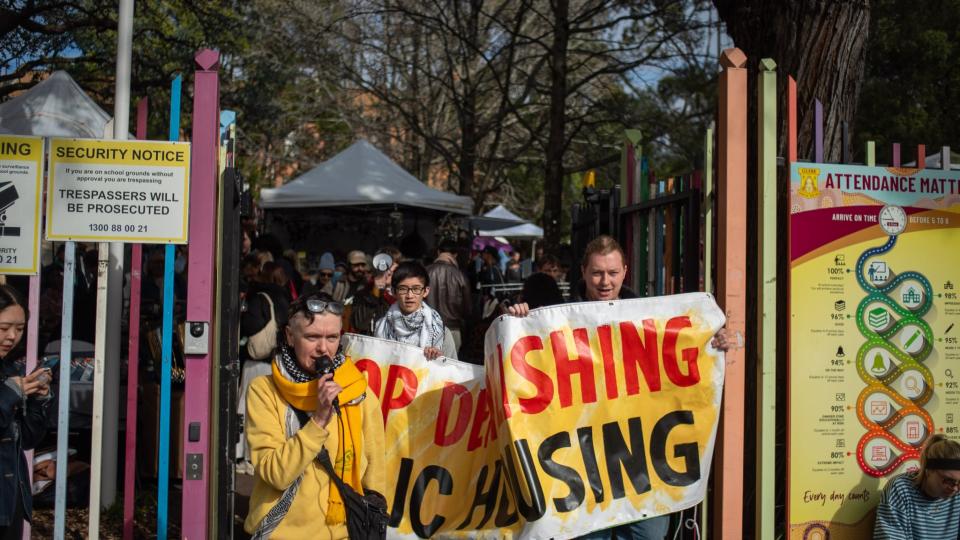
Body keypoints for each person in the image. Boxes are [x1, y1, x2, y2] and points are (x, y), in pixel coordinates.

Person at [506, 235, 729, 540]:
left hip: (643, 462)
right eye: (597, 273)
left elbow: (686, 352)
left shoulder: (651, 320)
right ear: (583, 272)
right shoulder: (557, 321)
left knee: (650, 535)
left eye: (612, 273)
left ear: (625, 271)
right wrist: (518, 323)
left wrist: (714, 340)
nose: (605, 282)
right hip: (584, 464)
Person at [244, 292, 386, 538]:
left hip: (343, 532)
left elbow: (376, 473)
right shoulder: (264, 390)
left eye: (332, 337)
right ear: (290, 336)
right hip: (281, 533)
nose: (323, 348)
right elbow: (275, 474)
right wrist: (318, 421)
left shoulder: (357, 392)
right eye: (312, 337)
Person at [0, 284, 52, 539]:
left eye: (19, 329)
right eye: (4, 328)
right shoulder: (10, 382)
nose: (12, 336)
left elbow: (28, 439)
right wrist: (9, 393)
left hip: (9, 500)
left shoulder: (9, 370)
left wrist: (38, 400)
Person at [873, 434, 960, 539]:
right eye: (948, 480)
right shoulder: (900, 489)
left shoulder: (957, 494)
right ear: (929, 470)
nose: (955, 488)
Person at [374, 261, 457, 360]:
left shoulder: (442, 333)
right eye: (403, 289)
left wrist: (438, 359)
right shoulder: (381, 327)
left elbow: (451, 367)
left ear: (425, 291)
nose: (410, 295)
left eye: (416, 289)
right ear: (393, 292)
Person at [426, 240, 472, 352]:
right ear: (455, 255)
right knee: (450, 362)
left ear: (438, 252)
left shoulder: (424, 272)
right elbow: (467, 309)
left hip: (427, 327)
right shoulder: (460, 275)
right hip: (453, 328)